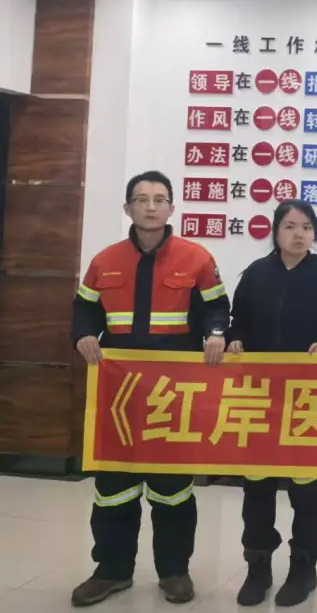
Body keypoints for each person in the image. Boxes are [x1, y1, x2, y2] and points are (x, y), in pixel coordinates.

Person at [70, 170, 230, 608]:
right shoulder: (105, 261)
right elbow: (84, 310)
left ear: (172, 208)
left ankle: (174, 571)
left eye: (160, 199)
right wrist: (83, 334)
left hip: (173, 394)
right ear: (128, 208)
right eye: (142, 199)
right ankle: (112, 570)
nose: (151, 206)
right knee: (113, 487)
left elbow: (217, 306)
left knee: (172, 487)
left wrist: (216, 332)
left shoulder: (197, 258)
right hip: (119, 393)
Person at [226, 199, 317, 607]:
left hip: (310, 398)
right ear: (276, 232)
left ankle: (303, 566)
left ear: (314, 233)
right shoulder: (255, 274)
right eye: (289, 226)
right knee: (257, 485)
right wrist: (235, 340)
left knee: (306, 488)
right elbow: (238, 322)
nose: (299, 234)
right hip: (259, 397)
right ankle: (258, 565)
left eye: (306, 227)